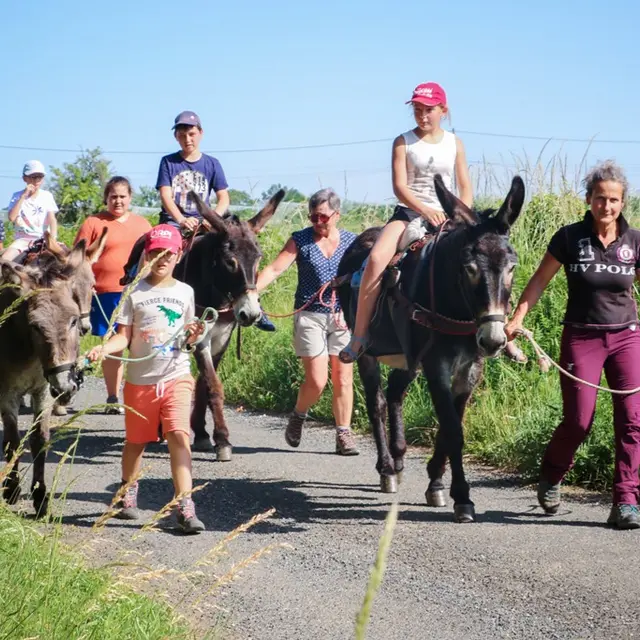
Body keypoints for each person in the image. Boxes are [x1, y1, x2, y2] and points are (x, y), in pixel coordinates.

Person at [506, 160, 640, 530]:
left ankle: (626, 500)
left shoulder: (634, 241)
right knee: (579, 420)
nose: (607, 206)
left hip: (626, 337)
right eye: (600, 198)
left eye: (614, 200)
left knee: (632, 421)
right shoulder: (570, 238)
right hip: (582, 337)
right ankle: (551, 474)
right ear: (589, 199)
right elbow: (538, 283)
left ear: (623, 202)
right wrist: (517, 319)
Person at [338, 82, 473, 363]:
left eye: (429, 110)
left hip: (449, 216)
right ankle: (360, 336)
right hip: (409, 213)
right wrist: (425, 211)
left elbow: (465, 188)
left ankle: (497, 331)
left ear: (443, 110)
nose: (423, 116)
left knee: (484, 259)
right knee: (375, 259)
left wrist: (461, 214)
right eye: (417, 110)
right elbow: (400, 187)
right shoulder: (403, 141)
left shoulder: (455, 143)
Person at [87, 224, 207, 533]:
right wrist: (103, 348)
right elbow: (122, 337)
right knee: (135, 443)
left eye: (169, 253)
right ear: (146, 256)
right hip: (140, 382)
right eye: (156, 253)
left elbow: (189, 338)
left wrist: (195, 335)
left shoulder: (185, 292)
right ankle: (128, 493)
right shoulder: (134, 293)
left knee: (179, 436)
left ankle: (184, 505)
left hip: (176, 375)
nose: (162, 259)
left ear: (178, 256)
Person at [257, 188, 360, 455]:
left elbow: (364, 275)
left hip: (342, 316)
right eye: (313, 217)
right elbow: (275, 268)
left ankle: (343, 434)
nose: (317, 222)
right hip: (310, 315)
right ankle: (299, 414)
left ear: (337, 215)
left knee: (343, 378)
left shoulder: (352, 242)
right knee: (317, 381)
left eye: (323, 217)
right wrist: (251, 292)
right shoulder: (300, 240)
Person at [155, 110, 275, 332]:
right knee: (152, 245)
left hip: (207, 221)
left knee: (239, 249)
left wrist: (212, 219)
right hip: (175, 223)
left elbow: (223, 197)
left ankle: (256, 305)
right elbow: (165, 195)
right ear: (176, 137)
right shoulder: (168, 162)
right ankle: (137, 285)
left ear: (200, 133)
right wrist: (181, 220)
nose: (187, 139)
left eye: (191, 134)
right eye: (182, 135)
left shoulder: (212, 164)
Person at [75, 177, 152, 413]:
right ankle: (112, 397)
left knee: (142, 345)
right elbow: (79, 258)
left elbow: (152, 257)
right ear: (106, 198)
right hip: (106, 293)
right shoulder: (94, 223)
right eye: (113, 197)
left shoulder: (143, 224)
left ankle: (142, 397)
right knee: (113, 346)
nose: (118, 201)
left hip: (139, 292)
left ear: (130, 198)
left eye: (122, 196)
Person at [4, 160, 58, 261]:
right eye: (33, 177)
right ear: (25, 178)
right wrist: (23, 196)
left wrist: (53, 238)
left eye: (40, 177)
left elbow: (52, 219)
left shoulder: (47, 196)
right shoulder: (17, 196)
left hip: (44, 239)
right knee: (4, 260)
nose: (37, 180)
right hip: (22, 240)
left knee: (68, 259)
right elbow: (11, 218)